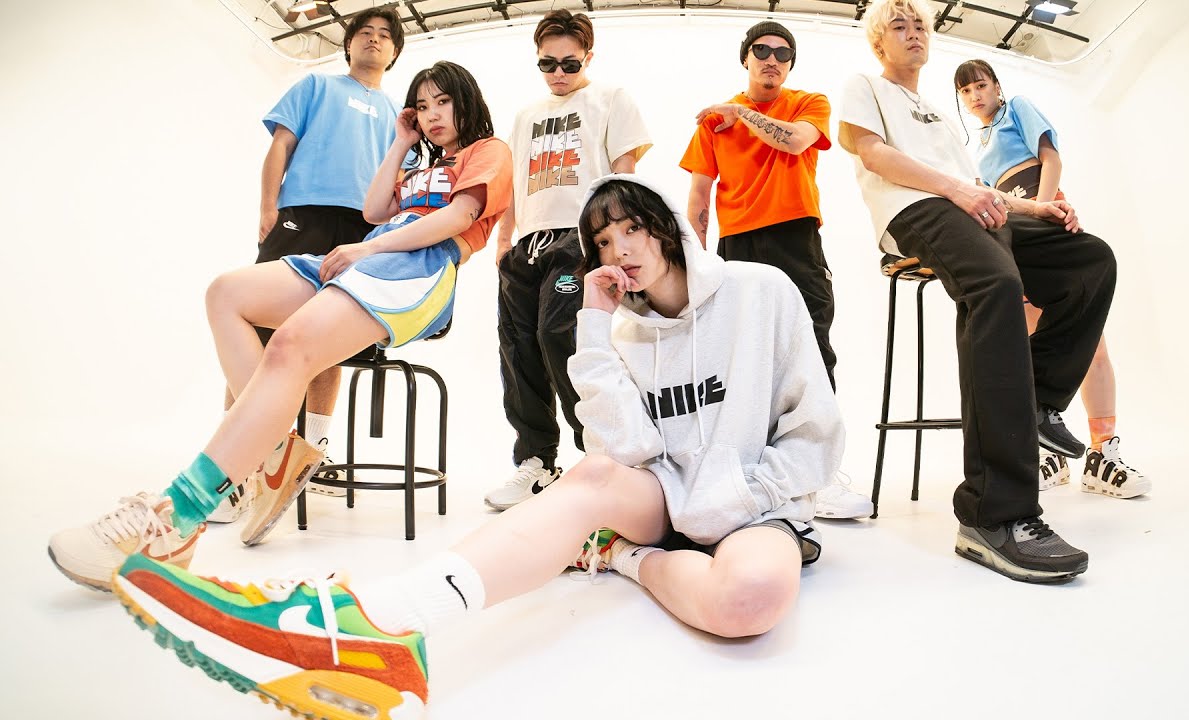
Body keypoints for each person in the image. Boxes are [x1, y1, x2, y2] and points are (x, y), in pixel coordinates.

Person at [109, 175, 844, 717]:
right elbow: (628, 446)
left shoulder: (760, 290)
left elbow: (815, 432)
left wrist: (731, 500)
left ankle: (621, 557)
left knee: (749, 600)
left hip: (756, 504)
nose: (619, 250)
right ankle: (383, 620)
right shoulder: (623, 330)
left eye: (631, 229)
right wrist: (593, 325)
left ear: (666, 227)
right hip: (669, 494)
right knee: (593, 472)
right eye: (602, 241)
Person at [47, 61, 513, 591]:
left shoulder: (489, 151)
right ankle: (276, 452)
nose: (432, 115)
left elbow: (456, 219)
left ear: (467, 100)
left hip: (415, 269)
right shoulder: (419, 164)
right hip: (370, 255)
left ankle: (175, 520)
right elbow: (373, 208)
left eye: (443, 102)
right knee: (227, 294)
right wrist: (400, 142)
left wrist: (367, 249)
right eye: (422, 106)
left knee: (290, 345)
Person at [838, 0, 1117, 582]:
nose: (913, 32)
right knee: (996, 283)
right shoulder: (866, 86)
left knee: (1089, 261)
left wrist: (1035, 208)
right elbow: (873, 153)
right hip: (915, 210)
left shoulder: (941, 115)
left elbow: (978, 189)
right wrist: (959, 192)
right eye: (898, 26)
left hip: (971, 209)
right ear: (879, 42)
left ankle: (1036, 399)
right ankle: (995, 516)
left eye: (920, 24)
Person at [207, 7, 409, 520]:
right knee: (257, 332)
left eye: (385, 36)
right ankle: (237, 467)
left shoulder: (399, 115)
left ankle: (310, 458)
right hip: (302, 215)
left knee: (327, 341)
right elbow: (281, 146)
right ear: (348, 44)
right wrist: (268, 208)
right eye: (364, 32)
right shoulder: (316, 86)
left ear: (394, 52)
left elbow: (401, 185)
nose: (374, 39)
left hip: (362, 231)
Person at [680, 19, 871, 520]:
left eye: (782, 53)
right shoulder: (714, 122)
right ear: (745, 57)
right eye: (761, 50)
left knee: (814, 350)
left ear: (790, 65)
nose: (772, 60)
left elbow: (794, 142)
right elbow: (699, 195)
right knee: (743, 358)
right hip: (737, 245)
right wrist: (697, 260)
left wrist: (740, 114)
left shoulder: (809, 103)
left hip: (796, 237)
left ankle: (818, 477)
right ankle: (750, 472)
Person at [952, 58, 1150, 499]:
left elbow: (1050, 159)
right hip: (1014, 238)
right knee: (1034, 343)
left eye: (980, 85)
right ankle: (1050, 455)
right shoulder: (975, 148)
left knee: (1089, 343)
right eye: (965, 91)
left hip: (1045, 221)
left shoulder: (1018, 109)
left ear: (997, 86)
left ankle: (1103, 454)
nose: (974, 96)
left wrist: (1041, 213)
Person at [486, 9, 652, 511]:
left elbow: (624, 175)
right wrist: (503, 242)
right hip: (528, 243)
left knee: (560, 336)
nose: (558, 72)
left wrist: (619, 243)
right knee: (518, 348)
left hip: (578, 238)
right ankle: (536, 461)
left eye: (569, 63)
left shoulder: (610, 98)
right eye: (547, 63)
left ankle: (599, 454)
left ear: (588, 58)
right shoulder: (526, 114)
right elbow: (514, 182)